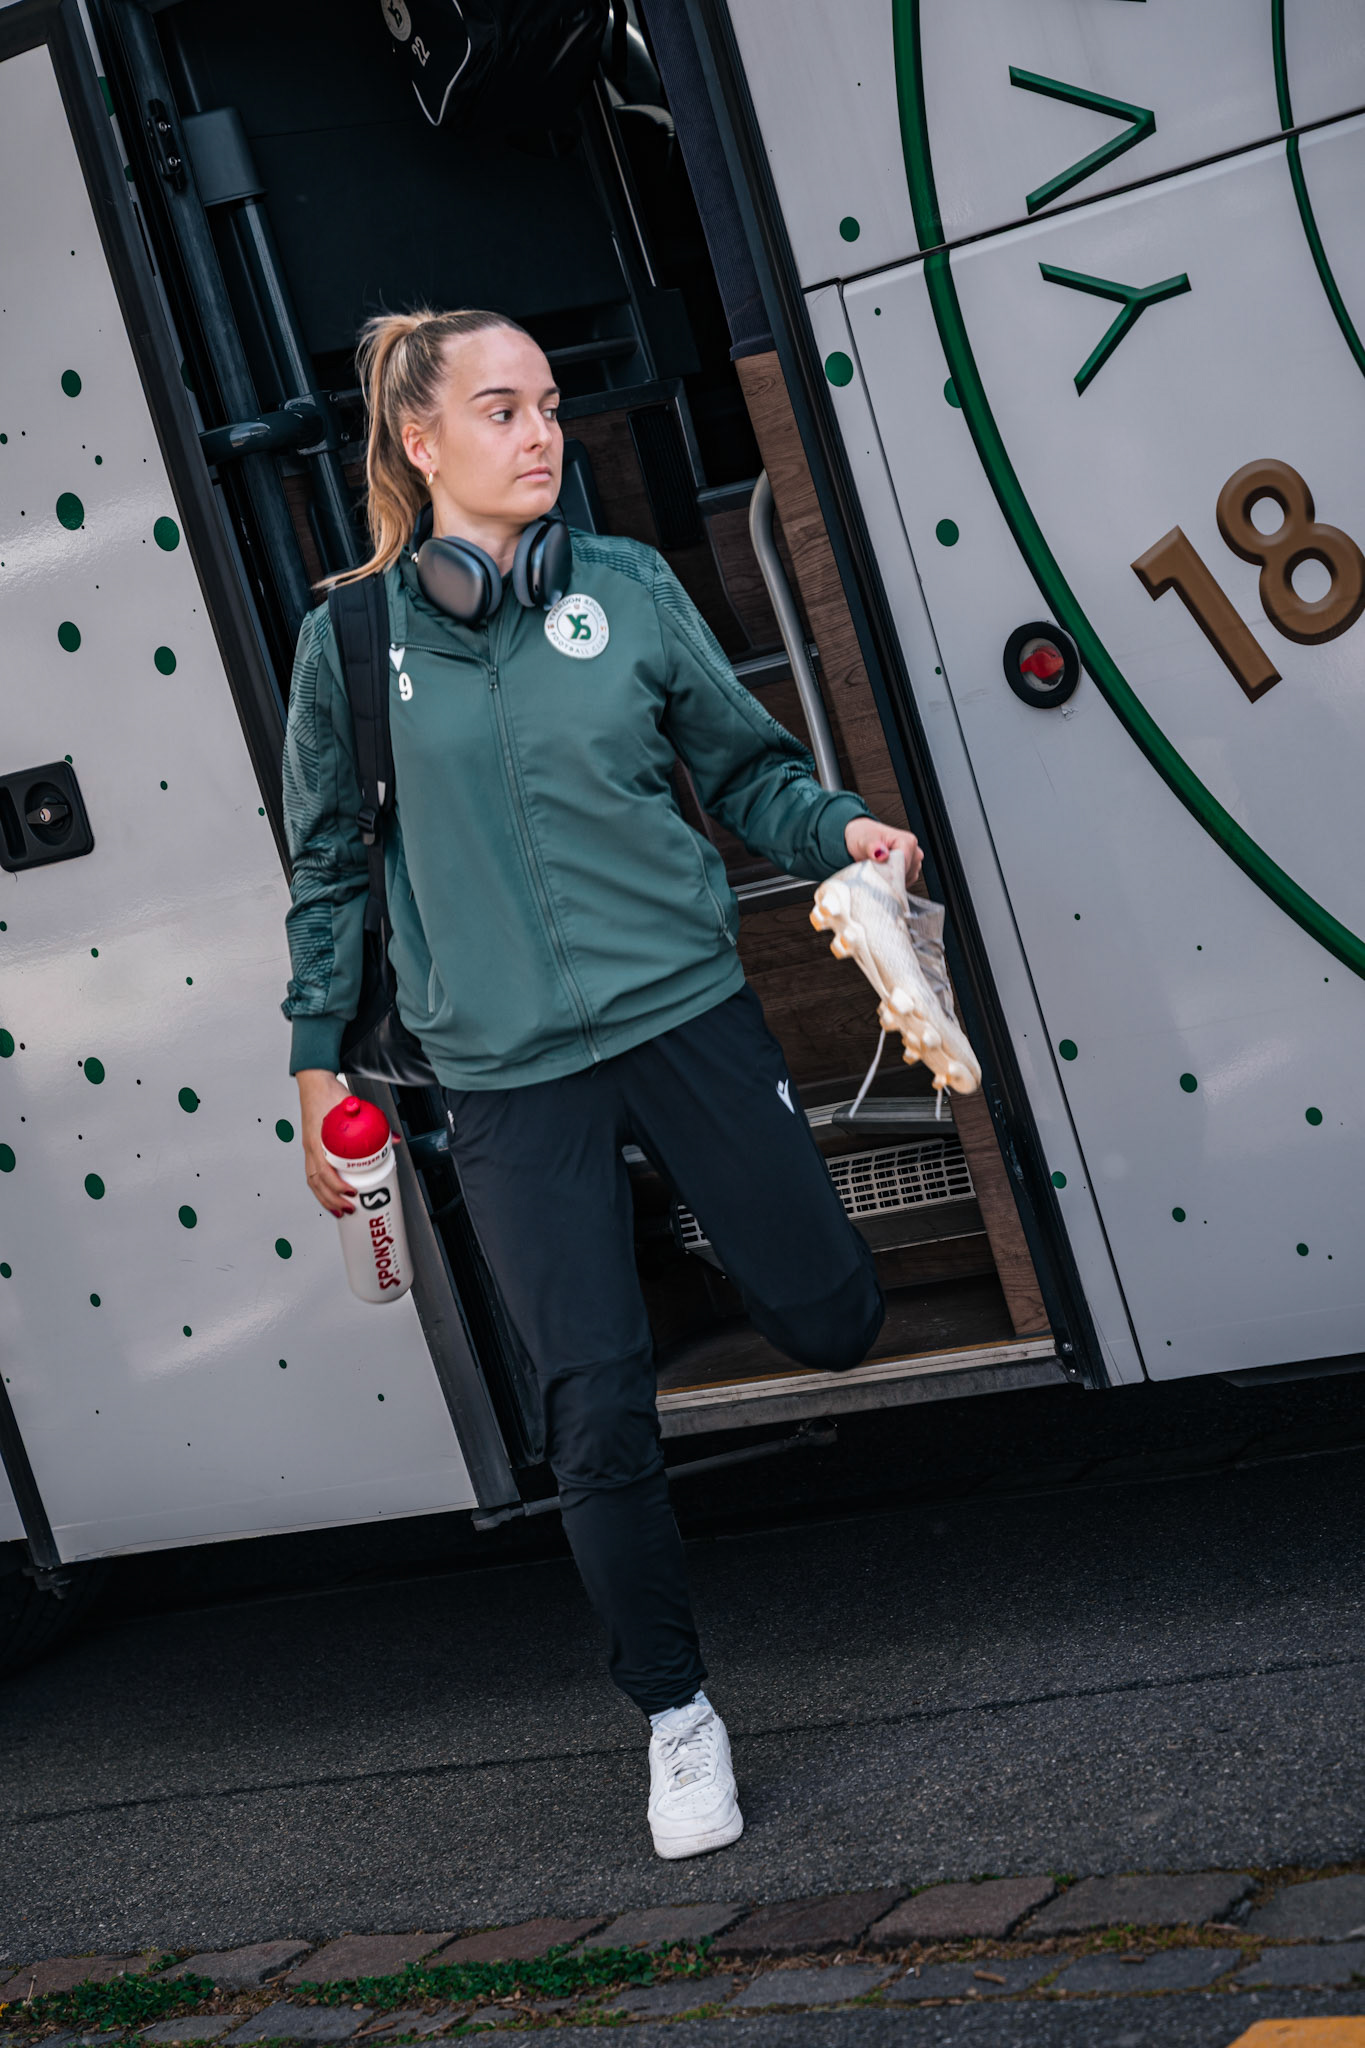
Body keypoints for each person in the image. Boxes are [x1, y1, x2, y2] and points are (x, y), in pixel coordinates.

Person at [281, 307, 922, 1859]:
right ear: (420, 444)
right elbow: (326, 870)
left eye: (552, 405)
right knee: (593, 1410)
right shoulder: (352, 644)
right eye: (502, 410)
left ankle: (713, 1225)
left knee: (831, 1320)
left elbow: (751, 768)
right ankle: (675, 1718)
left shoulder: (625, 591)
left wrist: (836, 827)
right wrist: (315, 1064)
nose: (543, 434)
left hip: (685, 1017)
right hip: (503, 1079)